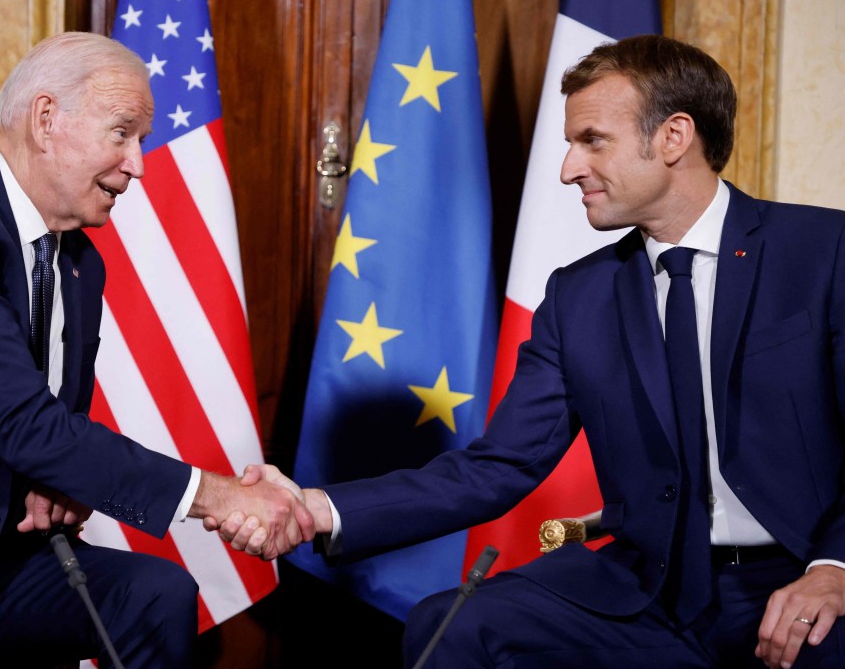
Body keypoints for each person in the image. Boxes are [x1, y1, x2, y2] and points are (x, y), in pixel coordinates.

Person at [216, 35, 845, 668]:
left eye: (592, 140)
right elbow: (501, 465)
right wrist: (317, 509)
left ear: (674, 137)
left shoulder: (823, 253)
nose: (569, 169)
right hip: (645, 591)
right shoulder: (579, 297)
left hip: (800, 574)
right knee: (452, 625)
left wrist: (834, 566)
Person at [0, 31, 313, 669]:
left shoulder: (80, 263)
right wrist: (221, 497)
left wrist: (55, 479)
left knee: (154, 594)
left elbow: (47, 427)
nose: (138, 164)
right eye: (122, 133)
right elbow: (21, 423)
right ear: (46, 119)